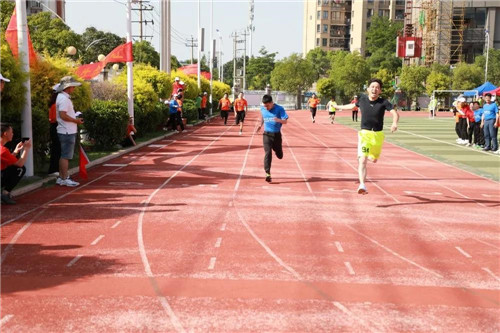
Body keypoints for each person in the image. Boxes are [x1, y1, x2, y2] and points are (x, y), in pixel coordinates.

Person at [335, 79, 399, 195]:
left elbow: (394, 112)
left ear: (380, 90)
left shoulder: (384, 102)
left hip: (377, 135)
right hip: (365, 134)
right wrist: (337, 106)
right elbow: (351, 106)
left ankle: (365, 156)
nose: (374, 89)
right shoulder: (362, 100)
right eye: (372, 87)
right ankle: (362, 185)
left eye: (377, 87)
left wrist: (394, 123)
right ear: (368, 89)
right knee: (363, 160)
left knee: (373, 159)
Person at [55, 76, 84, 187]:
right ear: (68, 87)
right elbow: (63, 115)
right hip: (67, 131)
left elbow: (63, 114)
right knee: (65, 155)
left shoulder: (62, 97)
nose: (74, 88)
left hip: (66, 130)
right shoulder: (63, 98)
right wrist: (75, 120)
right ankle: (65, 178)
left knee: (64, 155)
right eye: (72, 86)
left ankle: (62, 178)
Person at [256, 94, 289, 183]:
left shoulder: (279, 109)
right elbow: (263, 115)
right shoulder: (263, 108)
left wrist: (279, 120)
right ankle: (268, 173)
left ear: (271, 103)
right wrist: (260, 124)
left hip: (276, 135)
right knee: (268, 152)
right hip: (266, 134)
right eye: (264, 106)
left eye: (268, 106)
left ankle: (278, 151)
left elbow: (285, 121)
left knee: (280, 155)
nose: (266, 108)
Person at [1, 123, 32, 204]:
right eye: (11, 132)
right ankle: (5, 193)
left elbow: (7, 159)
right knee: (20, 169)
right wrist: (26, 149)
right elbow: (20, 164)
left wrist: (16, 151)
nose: (13, 134)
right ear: (5, 134)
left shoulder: (2, 149)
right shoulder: (3, 150)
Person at [48, 84, 61, 175]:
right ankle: (53, 169)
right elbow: (54, 118)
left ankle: (56, 168)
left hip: (56, 126)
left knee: (58, 149)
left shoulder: (55, 104)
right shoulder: (55, 105)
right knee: (56, 148)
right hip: (55, 127)